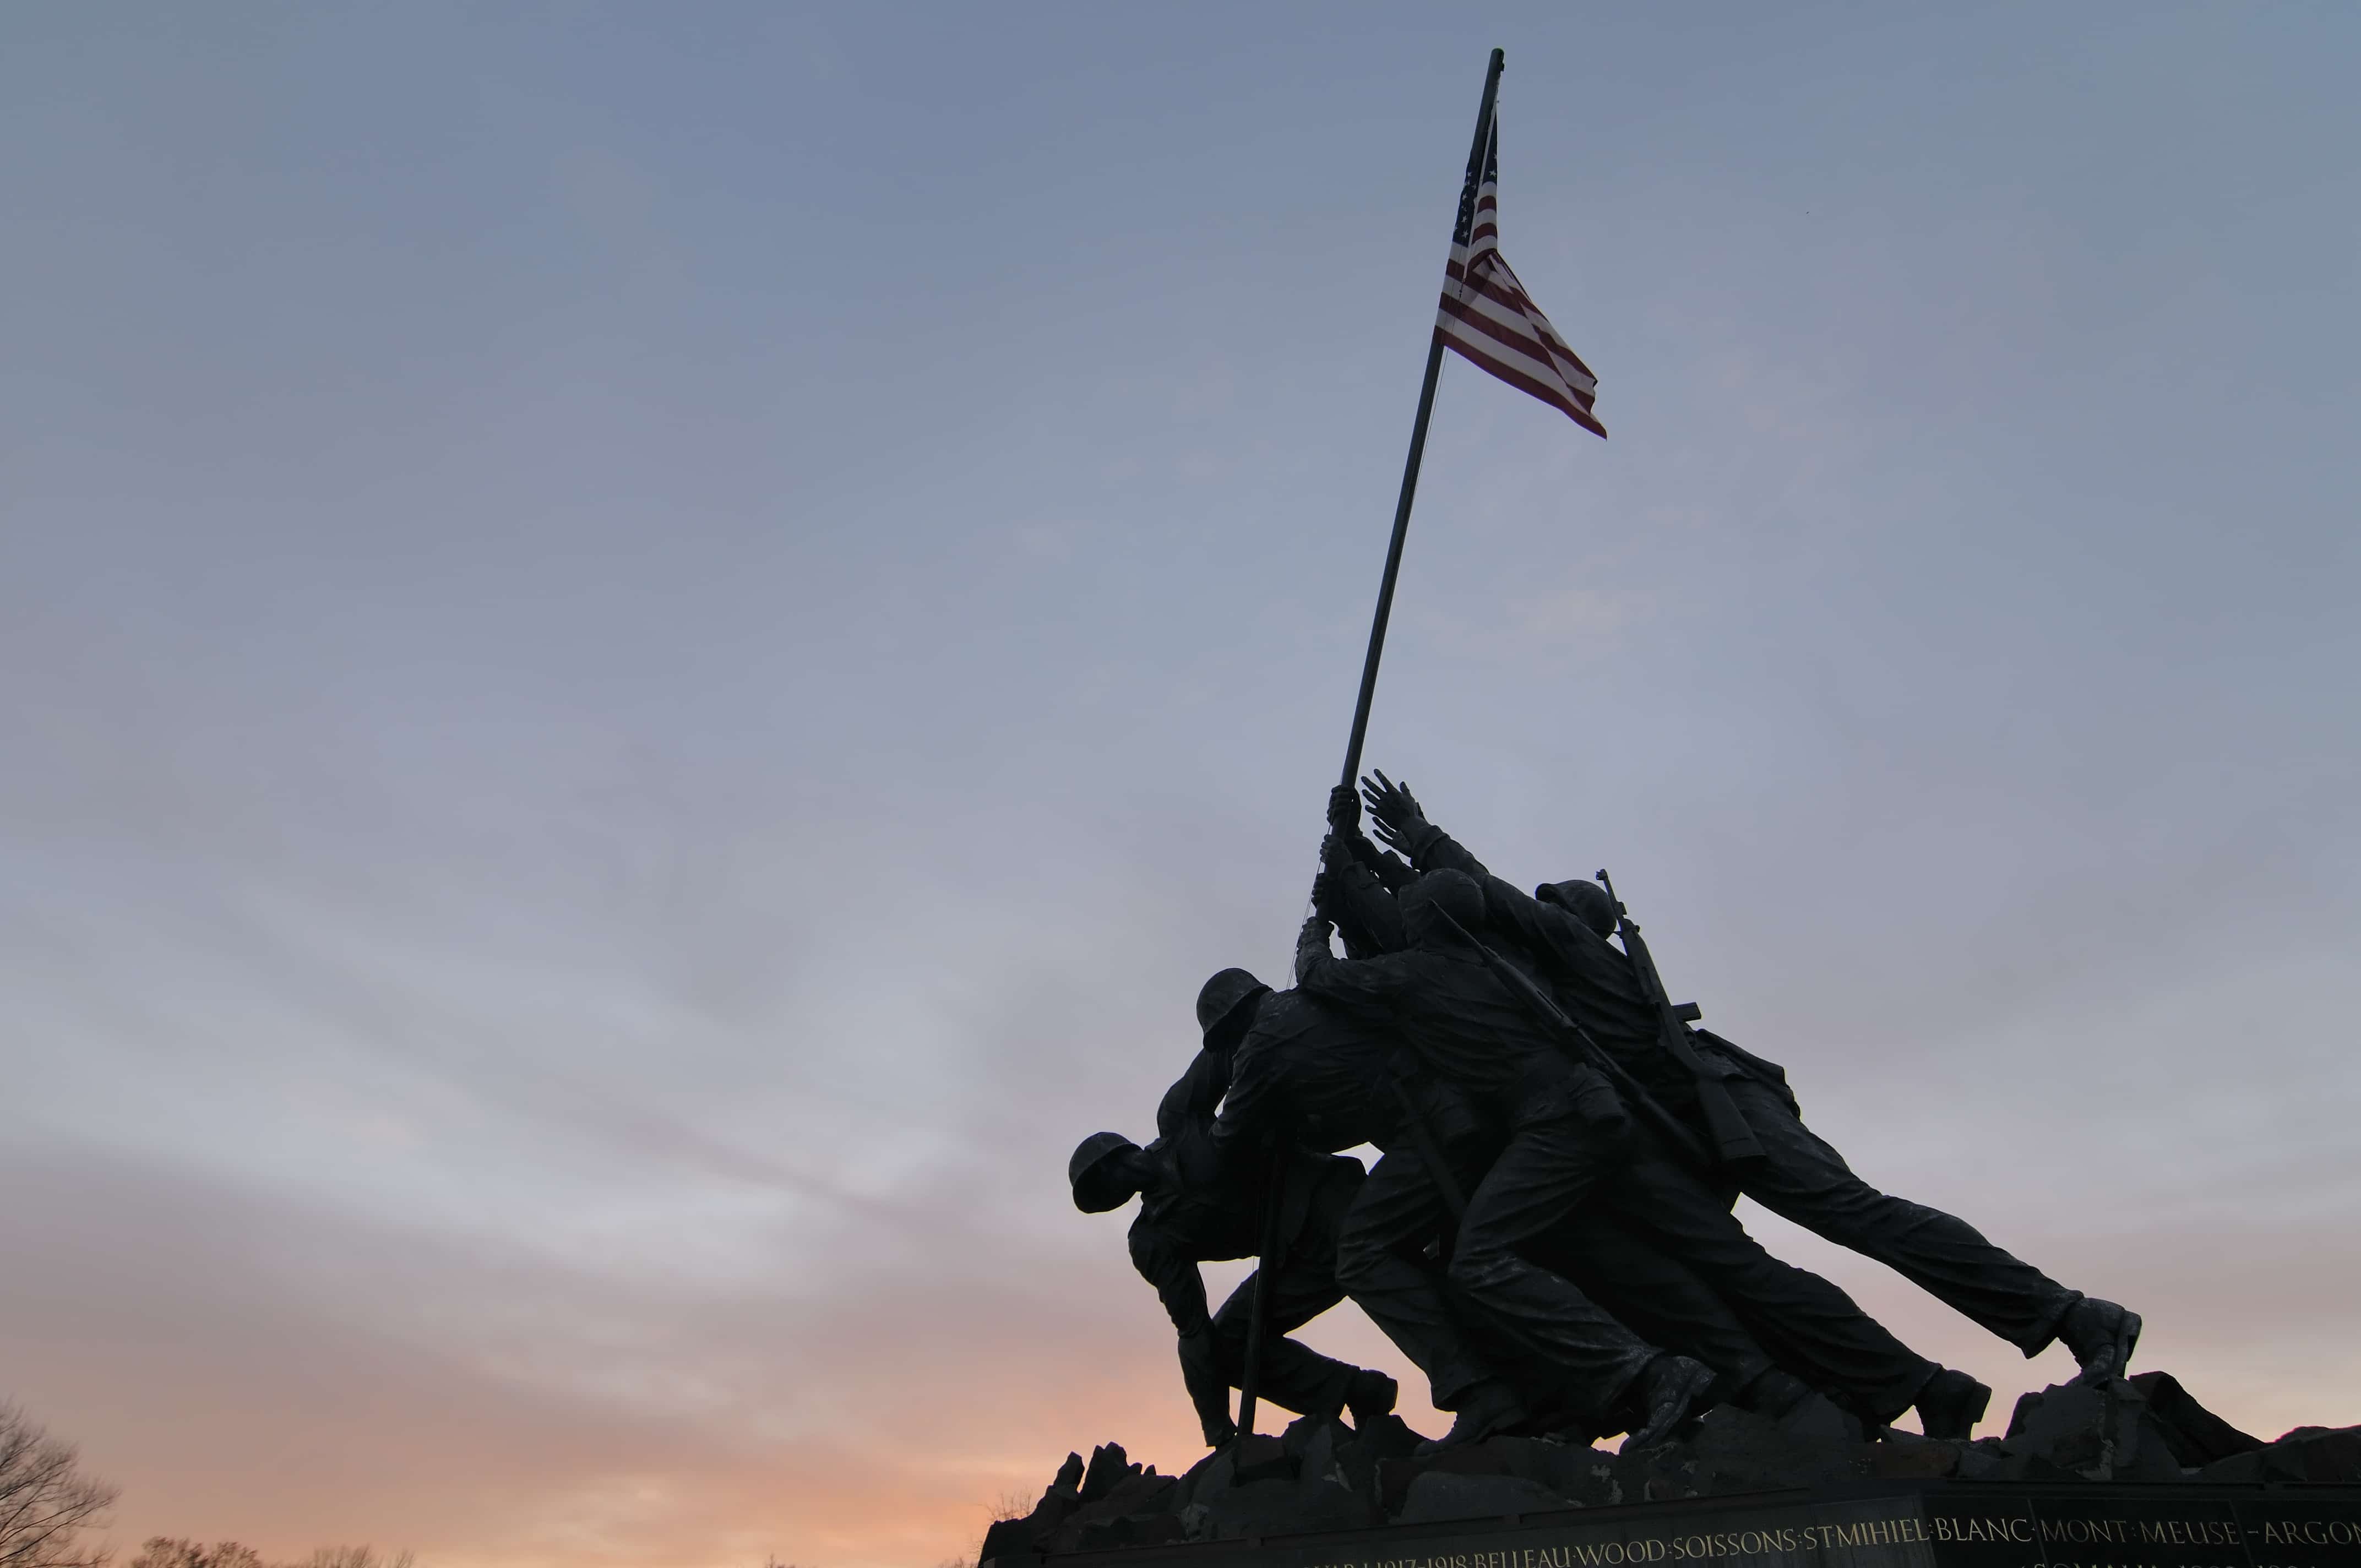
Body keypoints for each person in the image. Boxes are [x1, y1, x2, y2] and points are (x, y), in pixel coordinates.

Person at [1356, 771, 2143, 1400]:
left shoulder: (1563, 939)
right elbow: (1456, 920)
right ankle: (1880, 1382)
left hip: (1718, 1098)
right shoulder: (1546, 969)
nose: (1529, 912)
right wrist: (1375, 866)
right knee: (1748, 1261)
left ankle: (2071, 1315)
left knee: (1855, 1214)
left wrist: (1419, 838)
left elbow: (1472, 897)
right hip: (1679, 1115)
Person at [1291, 864, 1720, 1447]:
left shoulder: (1418, 972)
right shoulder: (1499, 959)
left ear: (1423, 922)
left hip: (1556, 1124)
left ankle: (1653, 1371)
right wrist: (1354, 872)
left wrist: (1313, 929)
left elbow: (1320, 978)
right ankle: (1603, 1391)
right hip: (1583, 1111)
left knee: (1480, 1259)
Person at [1065, 970, 1397, 1447]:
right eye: (1103, 1191)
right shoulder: (1153, 1239)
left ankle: (1484, 1378)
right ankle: (1353, 1390)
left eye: (1108, 1170)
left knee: (1401, 1272)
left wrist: (1260, 1105)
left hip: (1327, 1200)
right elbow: (1194, 1333)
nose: (1114, 1184)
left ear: (1121, 1149)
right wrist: (1216, 1428)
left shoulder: (1178, 1116)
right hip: (1295, 1257)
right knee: (1229, 1343)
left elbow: (1228, 1050)